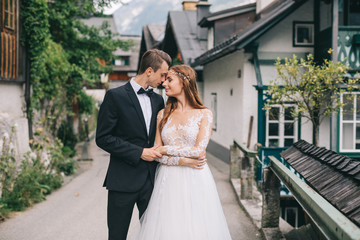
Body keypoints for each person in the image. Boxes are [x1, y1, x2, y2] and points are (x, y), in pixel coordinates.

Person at [95, 50, 205, 240]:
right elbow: (103, 138)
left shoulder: (158, 100)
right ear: (149, 71)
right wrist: (139, 152)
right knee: (117, 235)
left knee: (155, 235)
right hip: (123, 180)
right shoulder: (115, 96)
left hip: (153, 180)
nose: (164, 81)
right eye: (163, 75)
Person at [136, 65, 232, 239]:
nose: (164, 83)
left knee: (197, 228)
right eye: (164, 79)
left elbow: (198, 151)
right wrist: (183, 161)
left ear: (185, 81)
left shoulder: (204, 114)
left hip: (196, 178)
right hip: (168, 179)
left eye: (170, 79)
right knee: (168, 229)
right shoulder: (162, 114)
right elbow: (157, 156)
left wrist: (166, 149)